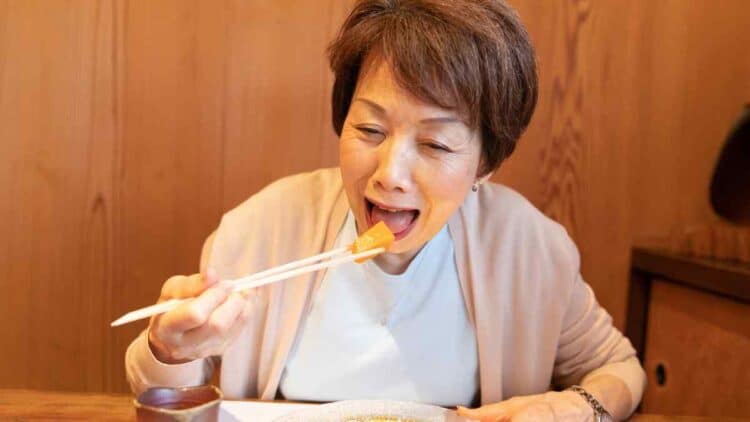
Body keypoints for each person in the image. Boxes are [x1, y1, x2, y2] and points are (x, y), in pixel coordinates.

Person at [126, 0, 646, 420]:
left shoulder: (531, 251)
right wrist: (172, 352)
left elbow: (618, 368)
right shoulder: (259, 231)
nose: (390, 174)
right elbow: (168, 395)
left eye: (437, 145)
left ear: (486, 163)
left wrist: (577, 408)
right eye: (370, 130)